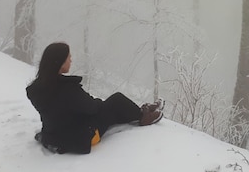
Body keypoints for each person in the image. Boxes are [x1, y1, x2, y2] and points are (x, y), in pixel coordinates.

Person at [26, 42, 163, 154]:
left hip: (54, 135)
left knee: (110, 108)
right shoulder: (68, 89)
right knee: (116, 100)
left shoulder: (35, 90)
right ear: (60, 62)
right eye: (68, 57)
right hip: (82, 137)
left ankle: (139, 111)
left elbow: (59, 110)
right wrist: (99, 103)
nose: (71, 60)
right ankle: (143, 116)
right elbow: (91, 108)